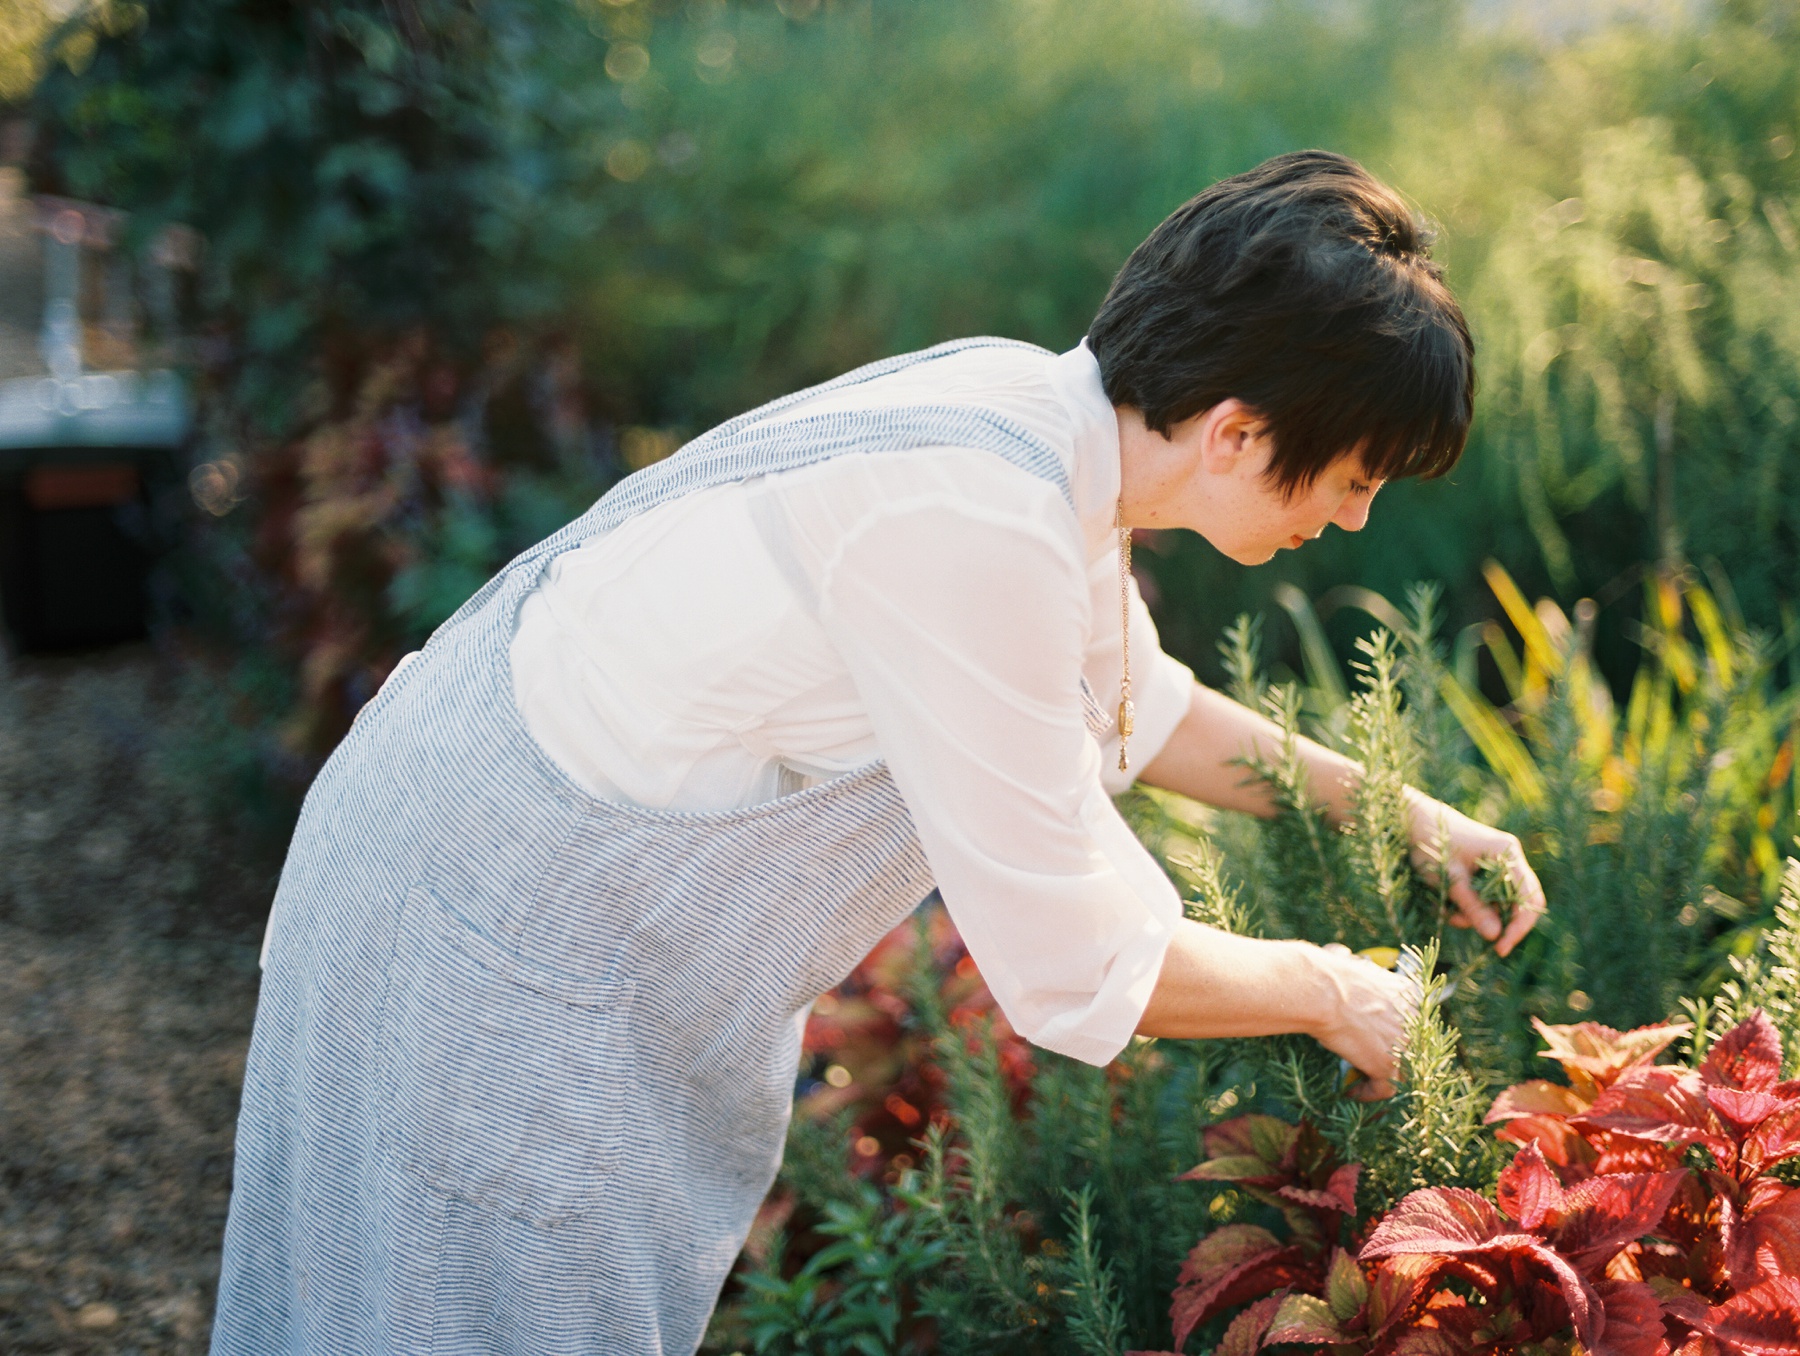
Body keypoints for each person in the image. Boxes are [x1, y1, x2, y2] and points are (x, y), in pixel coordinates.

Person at [210, 149, 1545, 1354]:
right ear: (1238, 433)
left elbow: (1141, 706)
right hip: (488, 928)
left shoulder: (1044, 444)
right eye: (1357, 479)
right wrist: (1335, 990)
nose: (1359, 519)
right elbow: (1078, 962)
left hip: (501, 893)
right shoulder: (980, 518)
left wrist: (1403, 813)